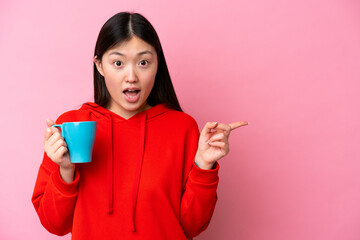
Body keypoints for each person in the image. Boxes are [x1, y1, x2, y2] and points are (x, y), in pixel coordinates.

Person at [32, 12, 248, 240]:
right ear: (99, 65)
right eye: (118, 63)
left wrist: (204, 165)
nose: (131, 76)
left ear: (158, 65)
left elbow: (191, 227)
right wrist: (65, 170)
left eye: (143, 62)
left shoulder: (182, 128)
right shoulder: (73, 127)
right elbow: (54, 224)